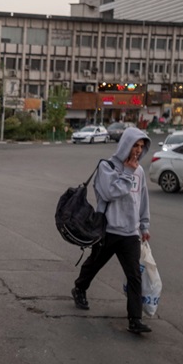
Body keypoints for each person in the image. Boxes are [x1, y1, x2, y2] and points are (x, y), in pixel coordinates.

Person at [71, 126, 153, 334]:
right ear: (125, 144)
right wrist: (126, 172)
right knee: (94, 265)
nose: (137, 150)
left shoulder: (140, 171)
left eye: (141, 146)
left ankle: (135, 319)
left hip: (130, 234)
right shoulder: (107, 167)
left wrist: (144, 225)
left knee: (135, 276)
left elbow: (142, 200)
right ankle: (79, 288)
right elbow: (109, 194)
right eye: (135, 145)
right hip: (108, 230)